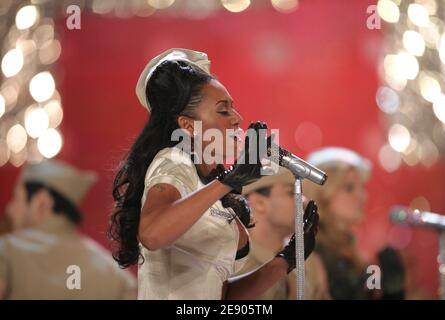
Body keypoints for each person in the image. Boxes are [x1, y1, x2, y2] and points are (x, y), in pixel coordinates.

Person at [108, 48, 319, 300]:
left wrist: (287, 259)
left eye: (233, 109)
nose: (237, 119)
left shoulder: (213, 191)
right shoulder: (174, 162)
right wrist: (227, 181)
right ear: (187, 125)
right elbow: (152, 234)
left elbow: (223, 295)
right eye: (223, 111)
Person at [0, 160, 136, 299]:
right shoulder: (116, 275)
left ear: (41, 203)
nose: (9, 210)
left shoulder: (6, 250)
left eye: (17, 199)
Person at [303, 147, 406, 300]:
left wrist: (392, 291)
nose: (362, 196)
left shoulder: (360, 253)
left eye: (362, 188)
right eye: (349, 188)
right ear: (322, 194)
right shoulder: (307, 251)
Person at [237, 167, 330, 300]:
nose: (303, 200)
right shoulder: (235, 263)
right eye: (291, 192)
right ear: (259, 203)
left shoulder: (307, 261)